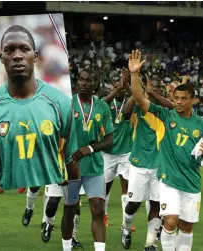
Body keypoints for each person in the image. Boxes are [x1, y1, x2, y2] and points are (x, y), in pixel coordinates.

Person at [0, 25, 80, 250]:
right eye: (10, 50)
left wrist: (73, 199)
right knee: (33, 188)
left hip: (52, 172)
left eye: (24, 49)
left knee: (51, 203)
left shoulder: (60, 103)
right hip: (18, 178)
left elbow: (71, 159)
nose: (18, 55)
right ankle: (30, 208)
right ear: (1, 57)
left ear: (35, 56)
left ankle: (47, 223)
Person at [128, 50, 203, 251]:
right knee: (170, 221)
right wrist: (134, 75)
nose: (178, 102)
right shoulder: (166, 117)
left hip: (192, 183)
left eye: (183, 98)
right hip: (168, 180)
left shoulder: (202, 125)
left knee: (186, 227)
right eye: (176, 98)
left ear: (193, 100)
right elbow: (140, 100)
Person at [121, 75, 173, 250]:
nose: (154, 91)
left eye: (159, 89)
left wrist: (153, 94)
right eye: (152, 88)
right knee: (133, 204)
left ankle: (150, 243)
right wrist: (136, 94)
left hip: (160, 166)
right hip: (139, 163)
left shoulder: (166, 113)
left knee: (156, 204)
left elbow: (173, 107)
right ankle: (126, 228)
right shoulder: (138, 108)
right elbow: (125, 114)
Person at [65, 68, 114, 251]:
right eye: (81, 79)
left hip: (94, 167)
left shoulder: (102, 107)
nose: (83, 83)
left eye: (88, 80)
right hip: (71, 166)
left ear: (96, 84)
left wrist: (91, 148)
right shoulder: (68, 104)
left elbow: (109, 140)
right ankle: (66, 247)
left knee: (98, 209)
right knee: (70, 210)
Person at [101, 70, 132, 228]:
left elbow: (140, 100)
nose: (118, 89)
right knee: (105, 186)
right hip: (109, 152)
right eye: (114, 87)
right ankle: (104, 215)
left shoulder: (130, 103)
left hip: (126, 151)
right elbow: (101, 103)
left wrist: (127, 86)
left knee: (127, 186)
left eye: (121, 87)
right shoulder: (106, 104)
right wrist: (117, 90)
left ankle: (125, 221)